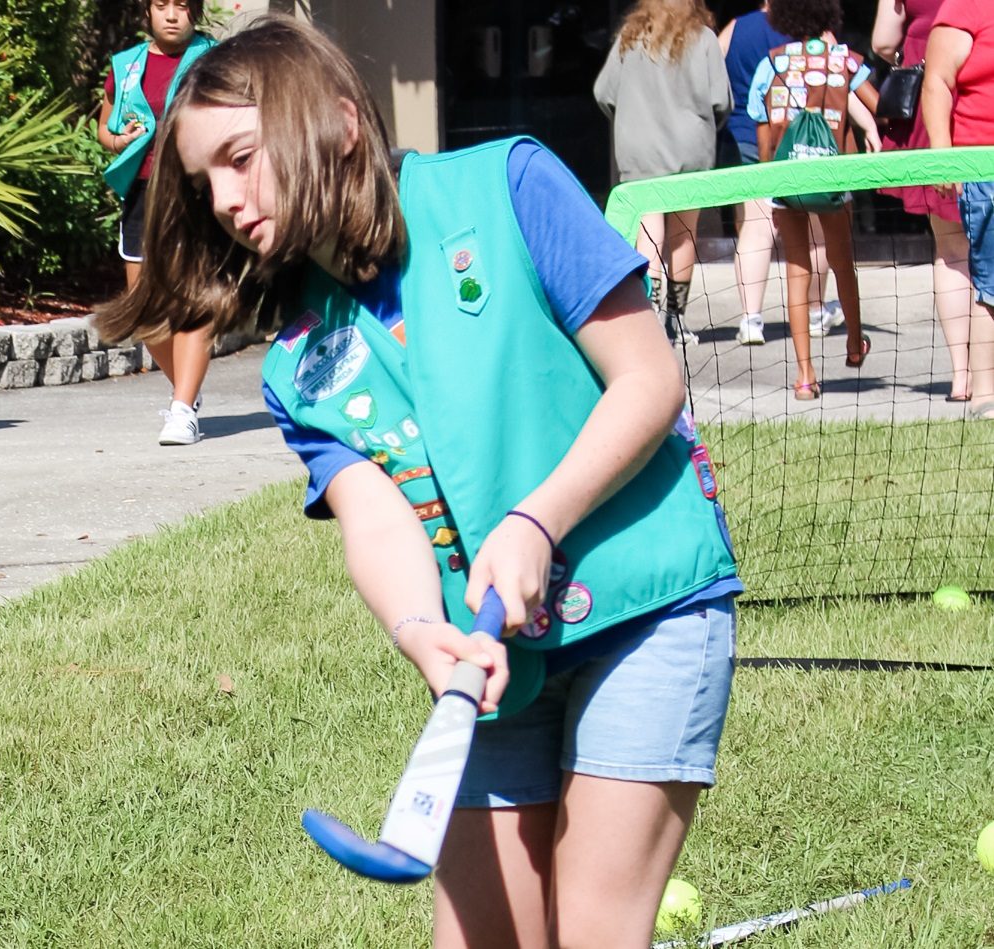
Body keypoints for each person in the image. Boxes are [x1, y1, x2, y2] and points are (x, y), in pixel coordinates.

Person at [99, 16, 742, 947]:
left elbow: (650, 384)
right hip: (492, 664)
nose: (227, 200)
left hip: (651, 608)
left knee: (595, 927)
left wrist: (535, 521)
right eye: (204, 183)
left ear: (339, 121)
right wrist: (420, 633)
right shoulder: (298, 366)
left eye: (240, 157)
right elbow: (375, 514)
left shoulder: (508, 184)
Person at [749, 0, 881, 400]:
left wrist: (770, 177)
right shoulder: (845, 61)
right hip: (833, 176)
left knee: (796, 269)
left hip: (787, 176)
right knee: (842, 262)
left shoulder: (770, 64)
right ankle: (854, 343)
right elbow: (880, 104)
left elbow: (761, 127)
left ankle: (805, 375)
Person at [99, 0, 216, 445]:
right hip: (143, 192)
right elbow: (104, 126)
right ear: (147, 12)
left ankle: (182, 407)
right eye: (161, 5)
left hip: (196, 191)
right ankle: (187, 389)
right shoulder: (127, 66)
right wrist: (118, 139)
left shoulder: (215, 59)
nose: (172, 15)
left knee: (193, 300)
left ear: (196, 12)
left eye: (182, 6)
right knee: (143, 311)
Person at [594, 0, 732, 346]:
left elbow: (603, 92)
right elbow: (721, 101)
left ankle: (649, 314)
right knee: (684, 234)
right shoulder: (703, 38)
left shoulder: (630, 35)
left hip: (640, 149)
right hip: (690, 149)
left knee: (648, 232)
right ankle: (675, 317)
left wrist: (630, 120)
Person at [718, 2, 844, 345]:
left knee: (757, 227)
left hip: (748, 135)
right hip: (807, 140)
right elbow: (840, 79)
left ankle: (750, 320)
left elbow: (713, 75)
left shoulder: (735, 28)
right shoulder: (815, 29)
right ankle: (816, 312)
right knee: (815, 229)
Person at [921, 0, 994, 419]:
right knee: (991, 282)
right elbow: (937, 82)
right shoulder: (965, 7)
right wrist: (943, 156)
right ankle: (985, 392)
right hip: (982, 165)